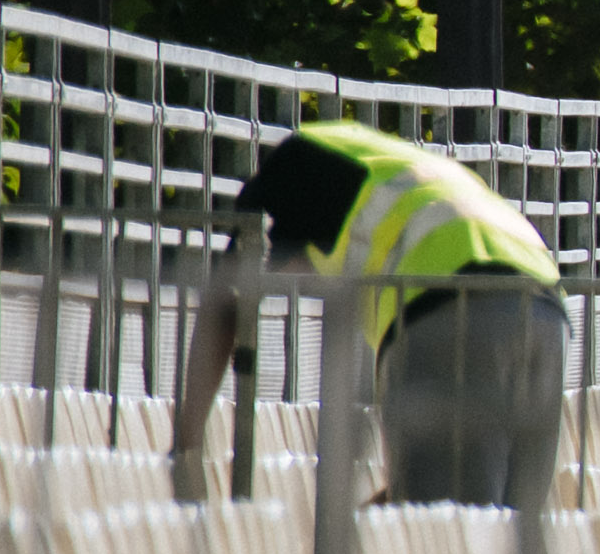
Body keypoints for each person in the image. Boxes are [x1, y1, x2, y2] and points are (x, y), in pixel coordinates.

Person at [173, 117, 572, 511]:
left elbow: (225, 305)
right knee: (507, 537)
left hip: (447, 302)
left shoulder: (295, 164)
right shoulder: (386, 166)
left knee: (442, 529)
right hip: (547, 312)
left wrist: (186, 449)